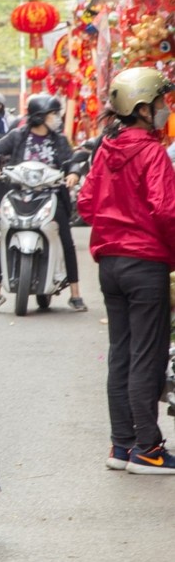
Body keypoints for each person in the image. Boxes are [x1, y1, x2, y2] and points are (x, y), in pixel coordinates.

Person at [76, 67, 175, 473]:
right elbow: (167, 210)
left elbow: (85, 204)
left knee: (121, 354)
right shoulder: (151, 152)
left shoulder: (106, 149)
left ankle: (122, 445)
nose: (166, 109)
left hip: (111, 265)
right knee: (145, 356)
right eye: (161, 103)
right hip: (145, 264)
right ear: (142, 107)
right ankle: (148, 449)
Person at [0, 94, 86, 312]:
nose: (57, 118)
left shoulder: (59, 140)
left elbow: (71, 162)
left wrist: (74, 173)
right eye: (53, 114)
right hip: (19, 195)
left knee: (67, 240)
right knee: (6, 235)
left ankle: (75, 294)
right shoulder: (18, 136)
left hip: (52, 196)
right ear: (40, 116)